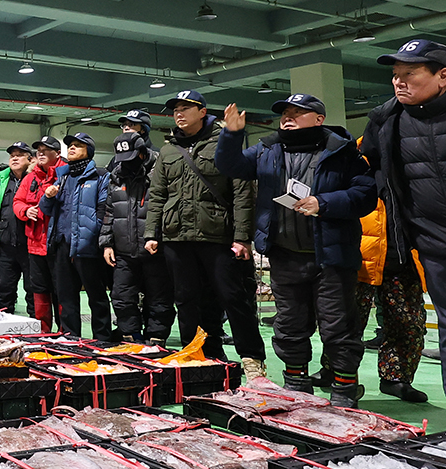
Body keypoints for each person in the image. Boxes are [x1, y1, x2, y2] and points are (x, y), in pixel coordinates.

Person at [217, 94, 376, 405]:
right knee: (289, 325)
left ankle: (344, 390)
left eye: (297, 112)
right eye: (285, 112)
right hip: (284, 254)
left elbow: (365, 194)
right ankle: (296, 385)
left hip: (331, 257)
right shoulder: (267, 149)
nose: (287, 117)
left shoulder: (342, 151)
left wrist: (323, 203)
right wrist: (232, 134)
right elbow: (230, 166)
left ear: (319, 119)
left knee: (338, 326)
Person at [144, 90, 267, 378]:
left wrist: (242, 237)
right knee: (186, 300)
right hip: (176, 237)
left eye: (186, 108)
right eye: (176, 109)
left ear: (202, 112)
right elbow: (157, 194)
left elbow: (242, 193)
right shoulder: (168, 150)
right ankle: (198, 354)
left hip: (218, 236)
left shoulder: (224, 143)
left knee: (233, 298)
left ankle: (252, 359)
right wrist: (151, 233)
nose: (179, 113)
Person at [360, 38, 446, 395]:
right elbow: (368, 174)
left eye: (410, 73)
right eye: (396, 75)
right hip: (429, 244)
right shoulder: (385, 120)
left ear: (442, 76)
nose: (399, 81)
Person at [352, 175, 428, 402]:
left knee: (408, 322)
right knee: (347, 322)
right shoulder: (356, 163)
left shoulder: (406, 164)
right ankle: (336, 373)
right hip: (360, 255)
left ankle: (395, 378)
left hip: (403, 254)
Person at [100, 131, 174, 344]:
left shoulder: (160, 172)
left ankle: (156, 338)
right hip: (124, 251)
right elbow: (109, 211)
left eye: (131, 158)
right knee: (121, 296)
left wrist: (160, 237)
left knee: (159, 298)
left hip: (155, 250)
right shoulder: (116, 176)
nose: (126, 164)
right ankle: (131, 336)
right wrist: (106, 243)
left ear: (142, 153)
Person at [41, 133, 113, 341]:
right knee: (66, 296)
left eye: (77, 145)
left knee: (96, 295)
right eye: (70, 145)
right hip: (62, 244)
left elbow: (104, 209)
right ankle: (71, 338)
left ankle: (102, 339)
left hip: (88, 245)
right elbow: (46, 209)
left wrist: (94, 235)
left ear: (89, 151)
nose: (71, 148)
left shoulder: (100, 176)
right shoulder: (62, 177)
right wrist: (48, 197)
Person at [15, 136, 65, 331]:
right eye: (39, 150)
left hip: (58, 244)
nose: (41, 153)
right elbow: (17, 202)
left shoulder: (65, 174)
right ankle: (43, 332)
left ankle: (65, 332)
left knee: (61, 289)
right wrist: (26, 211)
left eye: (46, 150)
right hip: (35, 244)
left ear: (57, 153)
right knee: (39, 289)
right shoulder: (30, 178)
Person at [0, 142, 35, 316]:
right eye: (12, 155)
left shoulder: (36, 179)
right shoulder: (0, 181)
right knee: (4, 289)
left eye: (19, 155)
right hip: (5, 246)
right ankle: (4, 323)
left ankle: (36, 325)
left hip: (30, 246)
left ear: (30, 160)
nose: (14, 158)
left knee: (33, 289)